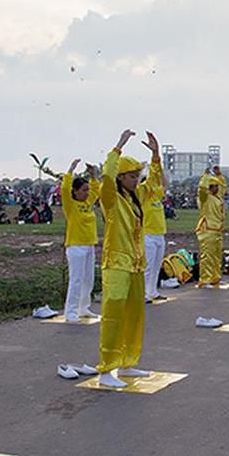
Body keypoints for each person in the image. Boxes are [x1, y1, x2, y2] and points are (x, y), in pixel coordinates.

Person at [96, 129, 162, 388]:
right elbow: (106, 177)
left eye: (137, 176)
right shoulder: (111, 199)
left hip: (136, 264)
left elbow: (154, 184)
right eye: (132, 176)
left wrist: (156, 156)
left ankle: (128, 362)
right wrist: (118, 147)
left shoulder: (137, 198)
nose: (136, 180)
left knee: (135, 315)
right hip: (116, 264)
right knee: (113, 315)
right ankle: (106, 369)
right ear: (121, 177)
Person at [60, 159, 100, 322]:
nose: (87, 193)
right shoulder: (70, 205)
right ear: (75, 191)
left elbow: (96, 189)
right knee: (76, 280)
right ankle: (71, 311)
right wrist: (71, 170)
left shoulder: (88, 203)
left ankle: (84, 307)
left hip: (90, 245)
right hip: (76, 246)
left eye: (87, 190)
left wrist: (93, 175)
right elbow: (64, 188)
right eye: (83, 190)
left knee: (88, 279)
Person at [142, 149, 169, 303]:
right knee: (148, 266)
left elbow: (164, 183)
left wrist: (160, 169)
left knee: (156, 266)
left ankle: (153, 291)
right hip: (148, 235)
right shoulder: (143, 195)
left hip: (160, 234)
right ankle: (144, 293)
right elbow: (151, 180)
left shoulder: (157, 195)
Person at [195, 166, 227, 288]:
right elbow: (202, 189)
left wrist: (218, 175)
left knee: (217, 256)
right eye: (213, 186)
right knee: (207, 256)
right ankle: (205, 280)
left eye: (216, 186)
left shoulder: (217, 197)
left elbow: (223, 187)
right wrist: (206, 176)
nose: (216, 188)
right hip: (207, 230)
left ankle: (215, 277)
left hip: (217, 230)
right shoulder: (205, 198)